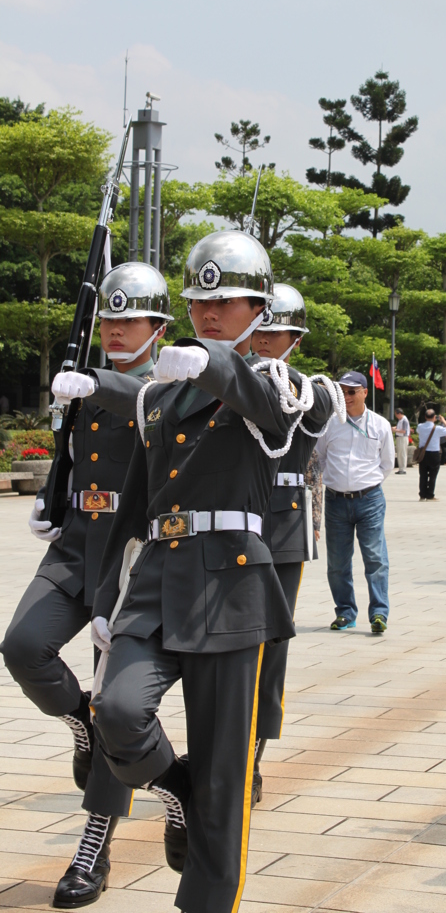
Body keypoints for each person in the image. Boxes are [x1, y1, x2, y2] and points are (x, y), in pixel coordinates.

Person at [72, 231, 331, 913]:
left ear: (258, 310)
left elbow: (274, 417)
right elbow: (132, 505)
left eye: (227, 302)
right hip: (157, 581)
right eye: (200, 303)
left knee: (224, 774)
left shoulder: (270, 382)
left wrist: (213, 360)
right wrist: (105, 596)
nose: (210, 313)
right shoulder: (156, 398)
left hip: (230, 585)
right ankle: (174, 793)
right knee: (118, 712)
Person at [0, 263, 172, 909]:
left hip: (125, 559)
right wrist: (56, 492)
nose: (116, 329)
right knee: (22, 646)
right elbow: (75, 447)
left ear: (157, 328)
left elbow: (134, 400)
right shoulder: (84, 375)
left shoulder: (162, 384)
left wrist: (92, 380)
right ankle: (79, 721)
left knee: (113, 699)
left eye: (129, 320)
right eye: (109, 318)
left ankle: (93, 846)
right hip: (75, 546)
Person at [250, 284, 343, 808]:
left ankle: (252, 755)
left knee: (268, 651)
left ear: (296, 341)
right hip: (220, 529)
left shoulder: (309, 390)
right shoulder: (217, 378)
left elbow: (302, 415)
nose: (263, 340)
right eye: (257, 329)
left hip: (279, 535)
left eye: (275, 332)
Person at [316, 371, 394, 633]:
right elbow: (321, 459)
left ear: (364, 393)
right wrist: (338, 482)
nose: (346, 397)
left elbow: (387, 464)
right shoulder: (329, 424)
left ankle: (379, 613)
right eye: (341, 391)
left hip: (369, 499)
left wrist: (364, 483)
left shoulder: (380, 425)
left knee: (375, 558)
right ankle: (345, 613)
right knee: (337, 562)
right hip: (336, 501)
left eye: (351, 391)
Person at [415, 409, 446, 500]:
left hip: (423, 454)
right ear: (435, 417)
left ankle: (422, 495)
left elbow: (418, 431)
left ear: (425, 417)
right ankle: (430, 495)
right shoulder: (437, 428)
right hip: (434, 454)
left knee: (423, 474)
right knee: (433, 475)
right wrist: (443, 421)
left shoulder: (420, 426)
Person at [393, 407, 410, 474]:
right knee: (399, 453)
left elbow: (404, 431)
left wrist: (395, 430)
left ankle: (403, 469)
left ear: (399, 413)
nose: (396, 416)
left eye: (396, 415)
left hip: (403, 438)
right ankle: (400, 468)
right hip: (399, 437)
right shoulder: (400, 420)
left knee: (402, 453)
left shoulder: (404, 420)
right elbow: (399, 427)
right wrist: (394, 428)